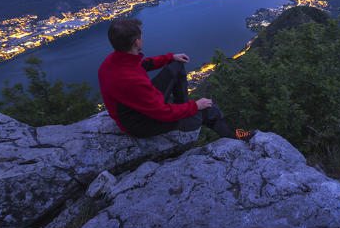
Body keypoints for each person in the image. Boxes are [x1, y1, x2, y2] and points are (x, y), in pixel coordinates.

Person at [98, 18, 253, 141]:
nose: (142, 38)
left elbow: (143, 64)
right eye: (141, 35)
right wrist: (195, 106)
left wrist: (170, 57)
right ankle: (235, 137)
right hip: (141, 123)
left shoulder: (112, 62)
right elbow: (162, 113)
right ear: (136, 42)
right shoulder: (131, 81)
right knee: (210, 111)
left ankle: (182, 103)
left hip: (140, 106)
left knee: (177, 64)